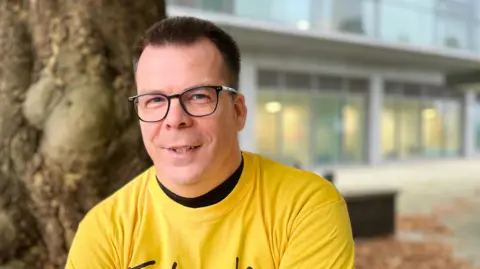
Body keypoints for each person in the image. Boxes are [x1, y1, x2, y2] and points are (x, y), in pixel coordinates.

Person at [65, 16, 355, 269]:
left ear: (238, 112)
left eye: (199, 96)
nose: (175, 119)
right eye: (154, 100)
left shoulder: (305, 208)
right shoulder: (106, 228)